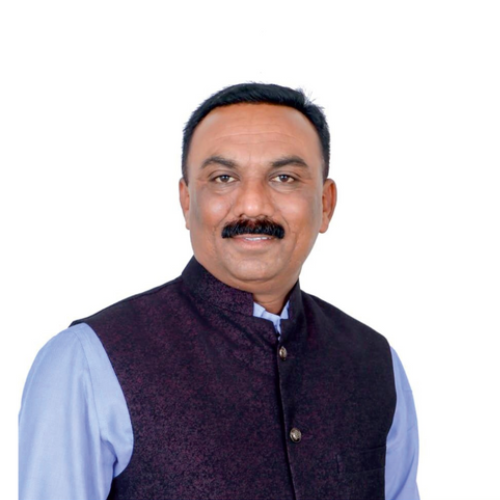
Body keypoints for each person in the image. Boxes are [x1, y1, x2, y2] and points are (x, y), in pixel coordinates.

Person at [19, 83, 420, 500]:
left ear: (325, 203)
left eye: (284, 178)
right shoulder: (86, 362)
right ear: (186, 200)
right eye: (223, 178)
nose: (253, 206)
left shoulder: (376, 363)